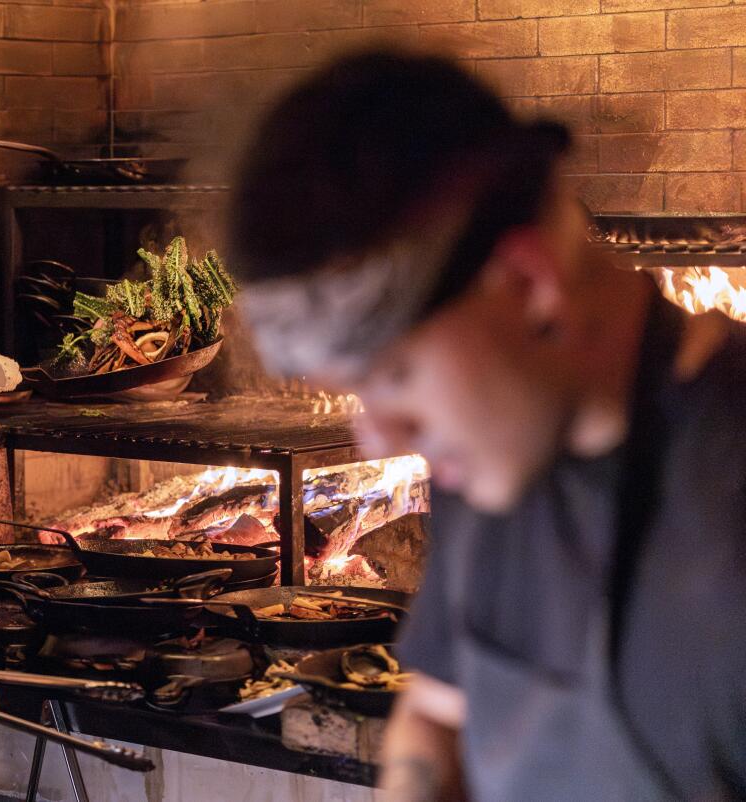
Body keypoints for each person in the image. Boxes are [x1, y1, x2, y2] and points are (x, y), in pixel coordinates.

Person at [230, 50, 746, 801]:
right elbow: (437, 721)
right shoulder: (493, 456)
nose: (378, 438)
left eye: (394, 375)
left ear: (529, 285)